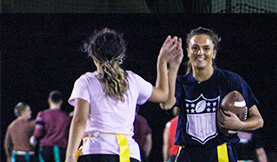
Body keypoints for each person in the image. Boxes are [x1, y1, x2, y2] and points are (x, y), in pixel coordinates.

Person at [66, 30, 181, 162]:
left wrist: (70, 157)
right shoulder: (132, 80)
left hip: (95, 150)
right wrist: (162, 62)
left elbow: (80, 120)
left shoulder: (86, 81)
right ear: (121, 57)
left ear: (94, 57)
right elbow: (163, 95)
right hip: (127, 153)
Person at [161, 28, 263, 162]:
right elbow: (166, 104)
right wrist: (171, 66)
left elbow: (259, 120)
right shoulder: (181, 82)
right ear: (188, 51)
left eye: (206, 48)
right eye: (195, 48)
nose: (200, 52)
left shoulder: (230, 80)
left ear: (213, 53)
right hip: (188, 155)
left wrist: (239, 124)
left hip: (220, 154)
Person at [33, 91, 70, 162]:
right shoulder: (66, 116)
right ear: (61, 101)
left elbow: (38, 133)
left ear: (49, 101)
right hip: (60, 149)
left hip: (45, 148)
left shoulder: (42, 115)